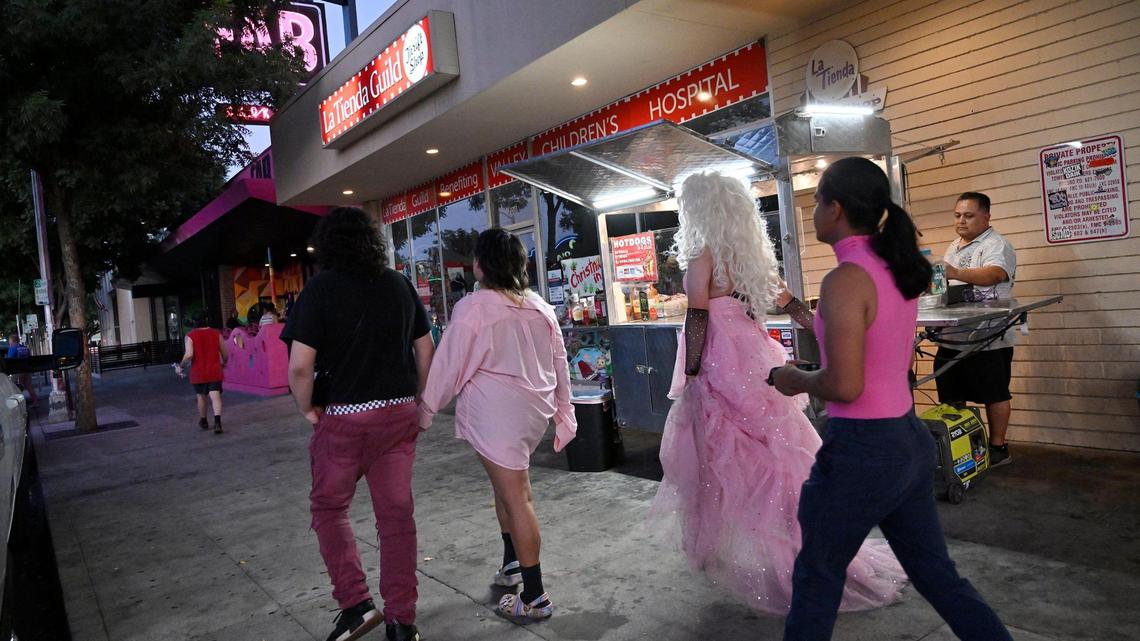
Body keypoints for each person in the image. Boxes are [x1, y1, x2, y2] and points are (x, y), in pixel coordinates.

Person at [771, 158, 1012, 641]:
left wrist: (794, 377)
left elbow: (845, 385)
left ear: (834, 209)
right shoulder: (893, 268)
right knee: (937, 575)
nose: (814, 211)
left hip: (862, 448)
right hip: (906, 439)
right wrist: (797, 312)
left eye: (816, 201)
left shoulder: (844, 279)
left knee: (817, 575)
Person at [649, 171, 906, 618]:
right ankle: (805, 537)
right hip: (752, 354)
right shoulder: (750, 258)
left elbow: (697, 318)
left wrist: (690, 372)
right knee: (780, 447)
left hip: (717, 357)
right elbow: (792, 305)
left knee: (724, 456)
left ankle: (761, 549)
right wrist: (828, 333)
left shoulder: (702, 256)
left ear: (700, 210)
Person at [282, 207, 435, 641]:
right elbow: (426, 352)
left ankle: (355, 605)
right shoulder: (399, 284)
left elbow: (300, 367)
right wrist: (420, 401)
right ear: (374, 242)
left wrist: (308, 409)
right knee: (396, 516)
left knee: (330, 509)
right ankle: (402, 621)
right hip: (398, 418)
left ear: (328, 244)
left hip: (345, 419)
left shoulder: (320, 290)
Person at [418, 228, 576, 623]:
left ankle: (536, 596)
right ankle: (511, 564)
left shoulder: (475, 307)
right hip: (529, 414)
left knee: (517, 495)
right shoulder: (540, 306)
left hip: (499, 417)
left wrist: (424, 411)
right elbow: (561, 364)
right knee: (506, 491)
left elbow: (448, 366)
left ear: (480, 265)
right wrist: (563, 412)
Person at [934, 192, 1018, 467]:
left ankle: (998, 448)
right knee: (950, 394)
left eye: (968, 215)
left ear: (986, 217)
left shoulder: (996, 244)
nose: (961, 221)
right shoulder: (954, 247)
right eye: (957, 215)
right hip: (953, 336)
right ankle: (964, 447)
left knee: (994, 392)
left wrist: (955, 273)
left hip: (988, 336)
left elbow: (995, 274)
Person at [174, 314, 228, 434]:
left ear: (194, 322)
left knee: (201, 397)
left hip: (199, 372)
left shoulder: (190, 336)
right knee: (216, 397)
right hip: (215, 370)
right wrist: (224, 362)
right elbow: (225, 352)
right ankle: (218, 423)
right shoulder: (216, 333)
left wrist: (180, 366)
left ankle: (204, 421)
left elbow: (189, 355)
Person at [6, 333, 36, 405]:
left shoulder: (12, 348)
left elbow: (9, 360)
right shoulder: (24, 347)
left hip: (17, 371)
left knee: (14, 386)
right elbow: (29, 358)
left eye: (9, 340)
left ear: (12, 340)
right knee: (29, 386)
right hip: (26, 370)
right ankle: (35, 401)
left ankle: (20, 404)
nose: (9, 342)